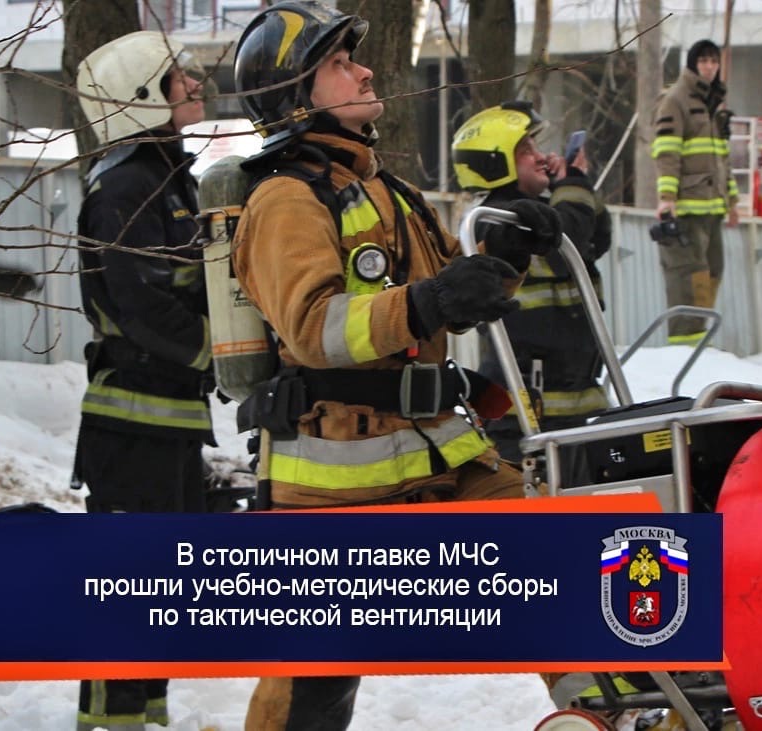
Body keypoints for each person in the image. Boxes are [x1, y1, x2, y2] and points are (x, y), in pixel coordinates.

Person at [230, 3, 560, 728]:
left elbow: (452, 292)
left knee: (557, 574)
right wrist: (432, 299)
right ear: (296, 95)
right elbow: (317, 328)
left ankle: (621, 711)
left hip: (441, 453)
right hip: (331, 487)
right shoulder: (284, 199)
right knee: (309, 690)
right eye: (340, 64)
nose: (366, 67)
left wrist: (507, 254)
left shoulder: (389, 190)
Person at [71, 30, 213, 731]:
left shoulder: (164, 177)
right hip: (133, 425)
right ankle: (108, 722)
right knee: (130, 584)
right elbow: (143, 303)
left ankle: (146, 716)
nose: (193, 82)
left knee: (158, 583)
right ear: (140, 100)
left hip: (169, 419)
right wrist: (220, 352)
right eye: (176, 77)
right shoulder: (125, 186)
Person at [451, 101, 612, 483]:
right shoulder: (496, 222)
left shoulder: (536, 214)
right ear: (496, 162)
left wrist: (572, 186)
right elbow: (565, 237)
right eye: (526, 151)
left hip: (567, 407)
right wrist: (572, 183)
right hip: (525, 415)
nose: (541, 157)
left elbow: (595, 236)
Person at [651, 39, 740, 345]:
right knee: (689, 277)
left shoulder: (712, 102)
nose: (709, 67)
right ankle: (684, 348)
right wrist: (667, 199)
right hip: (688, 207)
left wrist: (732, 200)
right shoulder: (676, 100)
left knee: (712, 273)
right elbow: (666, 152)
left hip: (712, 207)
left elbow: (721, 158)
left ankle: (700, 341)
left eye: (714, 61)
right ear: (692, 64)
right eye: (703, 61)